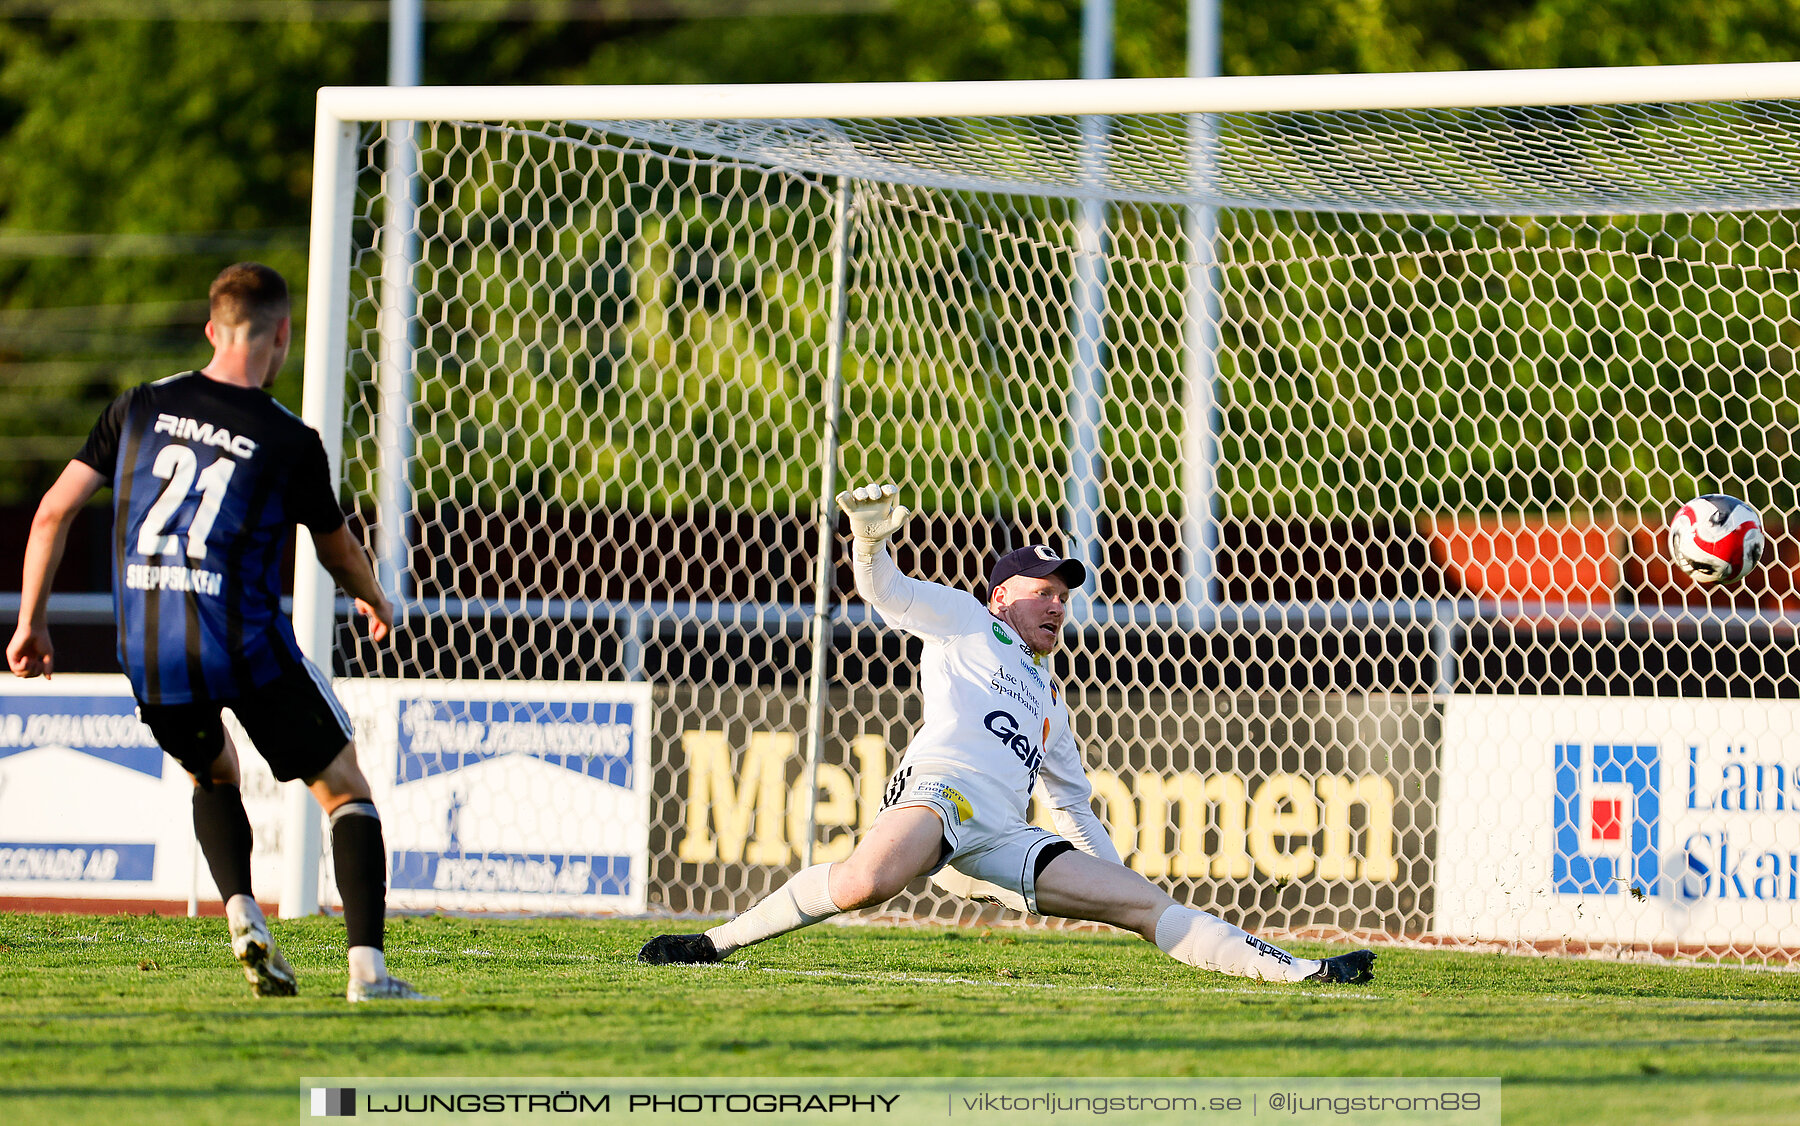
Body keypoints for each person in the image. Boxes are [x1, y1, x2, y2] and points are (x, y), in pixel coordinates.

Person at [640, 482, 1375, 985]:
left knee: (1144, 903)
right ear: (1001, 597)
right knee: (867, 882)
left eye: (1063, 596)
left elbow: (1074, 806)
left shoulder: (1050, 699)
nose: (1057, 606)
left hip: (999, 836)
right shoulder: (967, 620)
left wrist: (1116, 880)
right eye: (1043, 593)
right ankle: (714, 942)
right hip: (940, 795)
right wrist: (869, 543)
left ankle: (1302, 971)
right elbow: (887, 593)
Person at [7, 262, 431, 1002]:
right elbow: (335, 550)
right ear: (283, 336)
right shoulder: (287, 438)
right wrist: (374, 598)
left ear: (210, 330)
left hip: (148, 651)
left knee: (213, 773)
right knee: (345, 789)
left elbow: (50, 512)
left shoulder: (139, 406)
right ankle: (369, 973)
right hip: (243, 645)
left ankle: (241, 911)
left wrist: (31, 622)